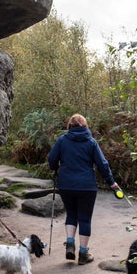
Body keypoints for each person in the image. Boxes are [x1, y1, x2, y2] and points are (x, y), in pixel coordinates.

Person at [47, 113, 121, 265]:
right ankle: (83, 253)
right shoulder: (91, 142)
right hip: (87, 186)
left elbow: (52, 159)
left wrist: (55, 167)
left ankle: (69, 244)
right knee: (85, 218)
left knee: (71, 214)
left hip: (66, 184)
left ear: (69, 126)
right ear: (85, 125)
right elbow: (102, 164)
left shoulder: (62, 140)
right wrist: (111, 182)